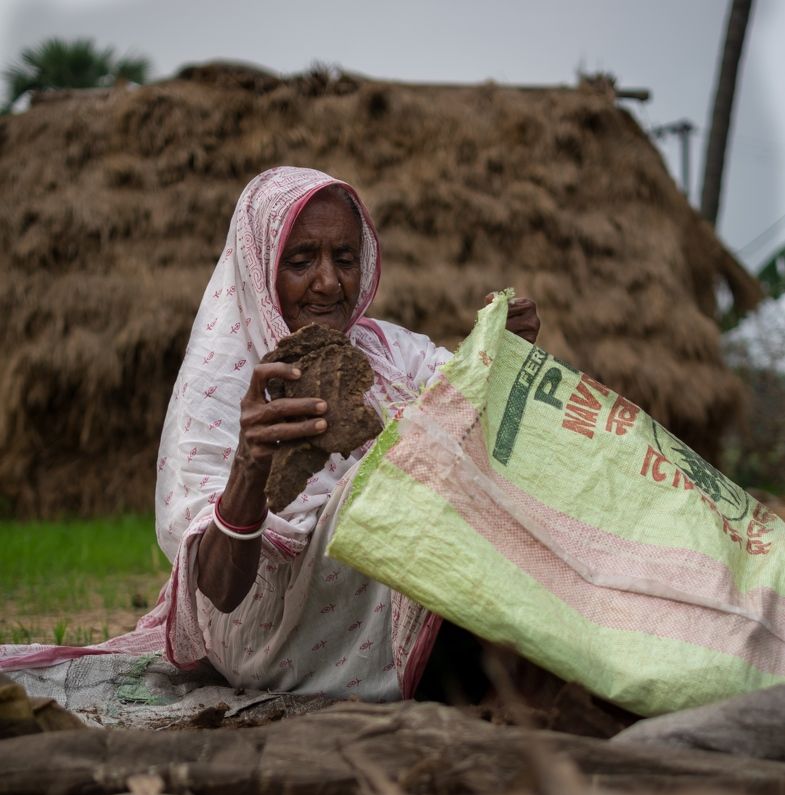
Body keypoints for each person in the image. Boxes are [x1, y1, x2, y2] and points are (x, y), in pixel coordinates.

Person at [1, 165, 539, 699]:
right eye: (301, 260)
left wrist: (498, 358)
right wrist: (251, 465)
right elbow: (220, 592)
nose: (328, 283)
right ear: (260, 268)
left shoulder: (386, 352)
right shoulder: (222, 382)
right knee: (409, 467)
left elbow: (467, 400)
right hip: (269, 629)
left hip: (382, 592)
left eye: (344, 259)